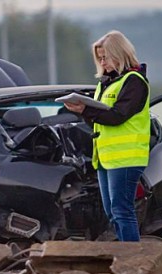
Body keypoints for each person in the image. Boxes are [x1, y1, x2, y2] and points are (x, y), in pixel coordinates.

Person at [64, 30, 150, 242]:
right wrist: (82, 110)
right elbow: (99, 119)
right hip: (106, 158)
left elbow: (117, 116)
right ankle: (127, 258)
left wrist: (85, 110)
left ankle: (133, 260)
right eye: (99, 58)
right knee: (113, 213)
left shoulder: (134, 81)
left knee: (122, 211)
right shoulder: (107, 83)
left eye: (106, 57)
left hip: (126, 158)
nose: (102, 62)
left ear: (120, 54)